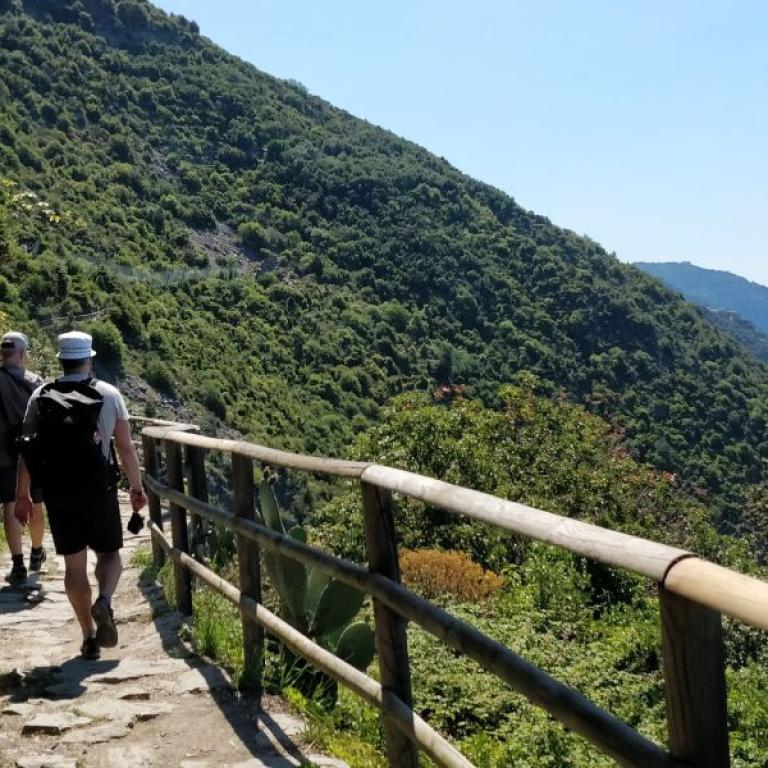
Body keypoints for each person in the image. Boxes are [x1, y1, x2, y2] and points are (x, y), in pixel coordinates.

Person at [15, 331, 148, 660]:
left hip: (59, 493)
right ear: (89, 358)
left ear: (61, 359)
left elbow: (27, 450)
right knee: (108, 554)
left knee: (74, 568)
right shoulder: (109, 394)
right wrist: (136, 487)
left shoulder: (40, 396)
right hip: (98, 490)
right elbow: (126, 448)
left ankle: (88, 635)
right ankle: (104, 599)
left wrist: (22, 494)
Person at [0, 331, 45, 585]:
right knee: (36, 502)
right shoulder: (35, 381)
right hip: (32, 453)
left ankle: (17, 565)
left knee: (9, 503)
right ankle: (36, 553)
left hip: (4, 454)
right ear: (23, 354)